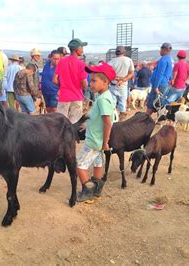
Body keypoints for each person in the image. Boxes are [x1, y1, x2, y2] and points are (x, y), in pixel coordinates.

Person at [76, 63, 116, 203]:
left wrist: (105, 142)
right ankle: (97, 191)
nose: (90, 83)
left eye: (94, 80)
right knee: (98, 164)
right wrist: (89, 125)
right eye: (90, 79)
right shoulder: (104, 96)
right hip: (98, 139)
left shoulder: (103, 100)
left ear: (105, 82)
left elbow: (107, 122)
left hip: (94, 140)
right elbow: (99, 119)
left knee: (79, 165)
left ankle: (88, 192)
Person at [53, 38, 89, 123]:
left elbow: (54, 80)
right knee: (75, 123)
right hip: (76, 97)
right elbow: (84, 84)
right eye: (82, 48)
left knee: (60, 123)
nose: (83, 50)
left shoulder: (61, 61)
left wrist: (63, 86)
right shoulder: (81, 64)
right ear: (77, 49)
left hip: (64, 96)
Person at [107, 46, 134, 121]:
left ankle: (112, 122)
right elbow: (131, 73)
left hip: (113, 85)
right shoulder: (128, 60)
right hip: (123, 85)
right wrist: (123, 79)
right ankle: (121, 122)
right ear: (124, 52)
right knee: (122, 105)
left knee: (112, 106)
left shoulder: (111, 61)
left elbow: (106, 74)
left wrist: (115, 78)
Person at [146, 43, 173, 115]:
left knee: (151, 104)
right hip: (164, 84)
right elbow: (169, 73)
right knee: (159, 103)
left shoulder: (163, 60)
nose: (160, 51)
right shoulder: (170, 59)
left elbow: (160, 73)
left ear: (164, 49)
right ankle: (159, 121)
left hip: (159, 85)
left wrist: (156, 86)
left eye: (160, 49)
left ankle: (144, 121)